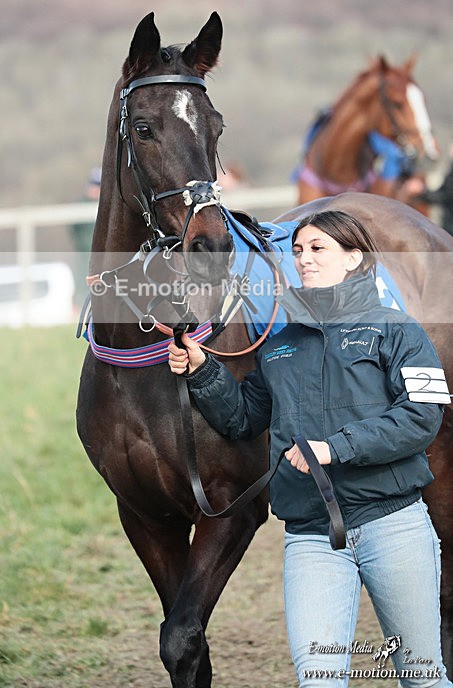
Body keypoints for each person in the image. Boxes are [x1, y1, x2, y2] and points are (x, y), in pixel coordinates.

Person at [168, 210, 452, 687]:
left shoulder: (400, 329)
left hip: (395, 528)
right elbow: (242, 419)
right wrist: (202, 370)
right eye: (298, 250)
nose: (304, 259)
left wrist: (335, 448)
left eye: (318, 249)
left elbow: (423, 417)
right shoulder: (279, 347)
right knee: (318, 679)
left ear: (354, 258)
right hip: (312, 539)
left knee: (421, 676)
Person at [68, 167, 101, 307]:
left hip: (103, 255)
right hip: (85, 254)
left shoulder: (107, 204)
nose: (96, 189)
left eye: (99, 185)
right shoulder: (80, 205)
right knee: (83, 288)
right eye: (94, 184)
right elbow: (73, 230)